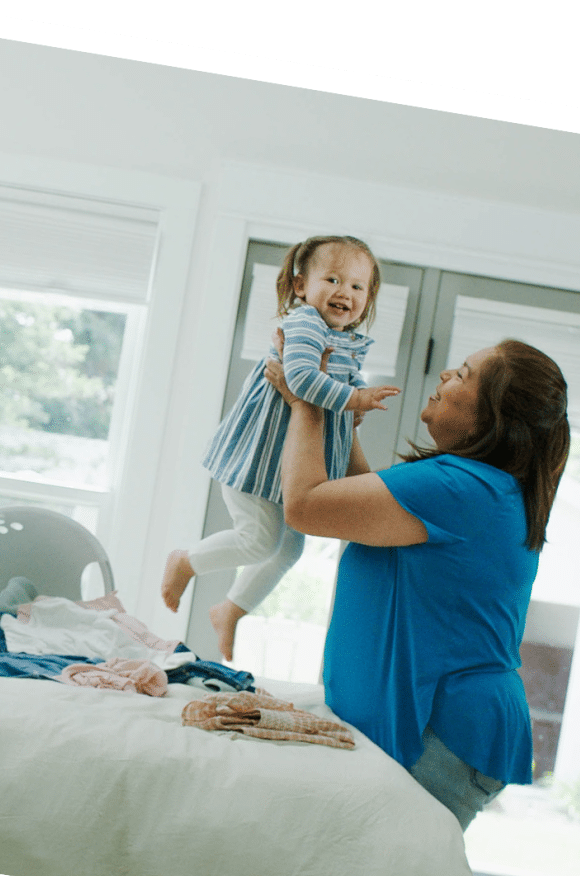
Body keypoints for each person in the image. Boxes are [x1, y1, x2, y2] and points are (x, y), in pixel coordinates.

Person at [263, 336, 570, 831]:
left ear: (493, 417)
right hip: (456, 729)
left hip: (444, 732)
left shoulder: (460, 488)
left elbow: (305, 506)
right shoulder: (474, 486)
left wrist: (306, 400)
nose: (447, 374)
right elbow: (363, 509)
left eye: (464, 375)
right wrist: (333, 409)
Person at [161, 235, 400, 660]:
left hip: (286, 468)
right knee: (258, 541)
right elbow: (304, 381)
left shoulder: (344, 337)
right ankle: (186, 560)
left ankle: (230, 609)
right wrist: (353, 400)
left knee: (288, 548)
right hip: (259, 458)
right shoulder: (305, 323)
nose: (346, 292)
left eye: (358, 286)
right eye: (333, 278)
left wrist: (354, 394)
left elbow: (339, 379)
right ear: (300, 285)